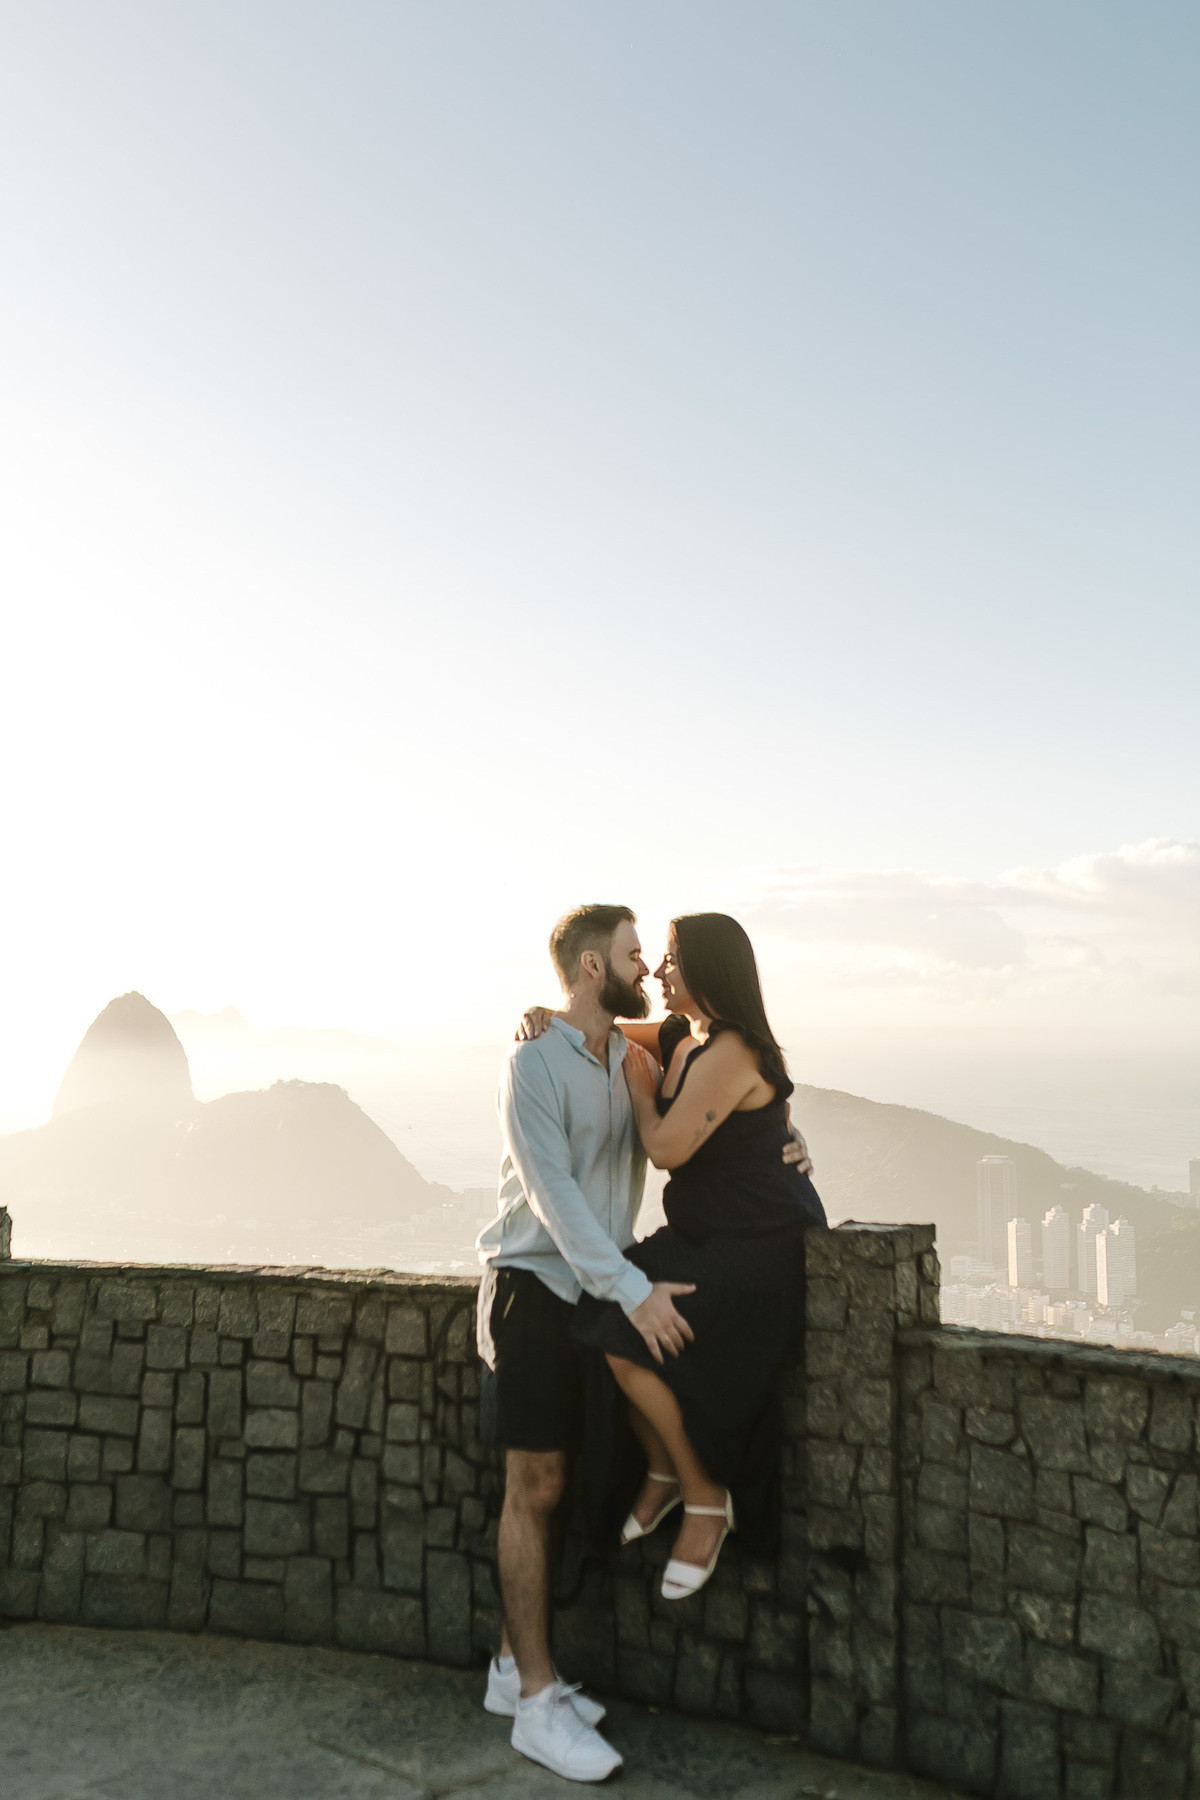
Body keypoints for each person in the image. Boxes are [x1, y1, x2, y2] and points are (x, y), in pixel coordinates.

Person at [476, 903, 809, 1783]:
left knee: (558, 1481)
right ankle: (536, 1704)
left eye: (657, 956)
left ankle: (512, 1669)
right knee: (533, 1484)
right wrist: (631, 1291)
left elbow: (734, 1090)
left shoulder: (637, 1051)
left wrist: (786, 1135)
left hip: (597, 1282)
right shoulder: (533, 1064)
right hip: (532, 1284)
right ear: (595, 967)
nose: (650, 969)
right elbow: (553, 1200)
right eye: (635, 954)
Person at [555, 912, 826, 1601]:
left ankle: (706, 1497)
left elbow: (667, 1148)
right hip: (705, 1236)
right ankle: (665, 1470)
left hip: (760, 1248)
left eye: (672, 958)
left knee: (623, 1335)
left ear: (708, 967)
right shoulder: (685, 1036)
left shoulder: (733, 1050)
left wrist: (643, 1095)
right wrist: (542, 1016)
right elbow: (608, 1029)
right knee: (606, 1310)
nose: (659, 970)